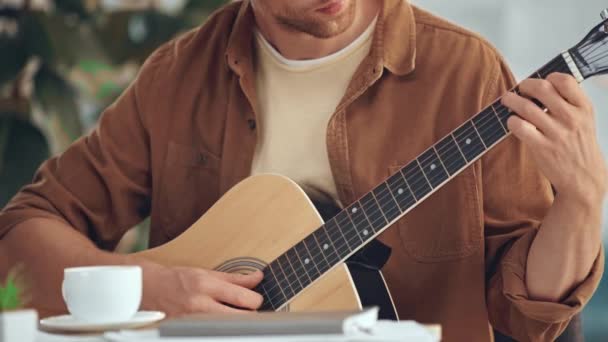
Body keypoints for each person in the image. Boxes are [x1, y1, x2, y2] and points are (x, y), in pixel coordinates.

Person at [0, 0, 605, 341]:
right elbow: (21, 237)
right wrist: (151, 289)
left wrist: (583, 200)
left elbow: (528, 319)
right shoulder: (178, 77)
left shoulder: (466, 74)